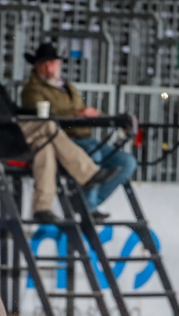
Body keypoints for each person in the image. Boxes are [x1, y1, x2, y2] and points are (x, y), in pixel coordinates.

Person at [0, 32, 117, 223]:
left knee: (45, 144)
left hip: (9, 133)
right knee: (47, 127)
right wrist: (6, 118)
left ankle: (43, 207)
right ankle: (88, 173)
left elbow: (12, 109)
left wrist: (31, 113)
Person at [21, 42, 138, 219]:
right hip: (63, 141)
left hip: (85, 137)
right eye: (44, 64)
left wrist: (110, 118)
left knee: (127, 162)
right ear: (36, 67)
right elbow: (43, 116)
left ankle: (87, 201)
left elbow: (83, 111)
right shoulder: (31, 90)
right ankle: (87, 207)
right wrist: (77, 113)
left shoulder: (68, 87)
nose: (48, 68)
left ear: (58, 64)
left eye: (52, 63)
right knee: (95, 155)